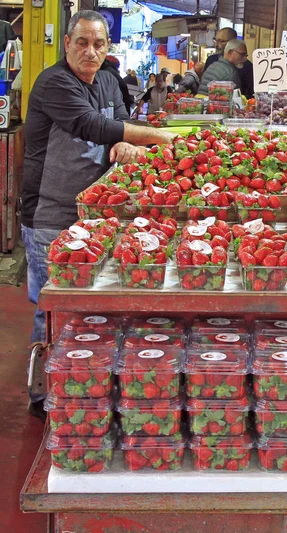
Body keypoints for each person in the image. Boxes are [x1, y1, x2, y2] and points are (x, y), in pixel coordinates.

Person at [20, 10, 176, 418]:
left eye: (99, 44)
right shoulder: (53, 83)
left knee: (90, 303)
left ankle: (85, 381)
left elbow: (115, 124)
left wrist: (121, 146)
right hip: (52, 213)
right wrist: (158, 136)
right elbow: (89, 124)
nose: (91, 51)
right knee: (53, 305)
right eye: (82, 43)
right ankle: (44, 396)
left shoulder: (107, 78)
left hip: (97, 212)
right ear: (67, 43)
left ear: (108, 47)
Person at [204, 28, 254, 99]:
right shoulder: (211, 60)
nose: (217, 45)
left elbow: (249, 91)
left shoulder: (247, 66)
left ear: (232, 42)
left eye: (221, 41)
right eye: (216, 40)